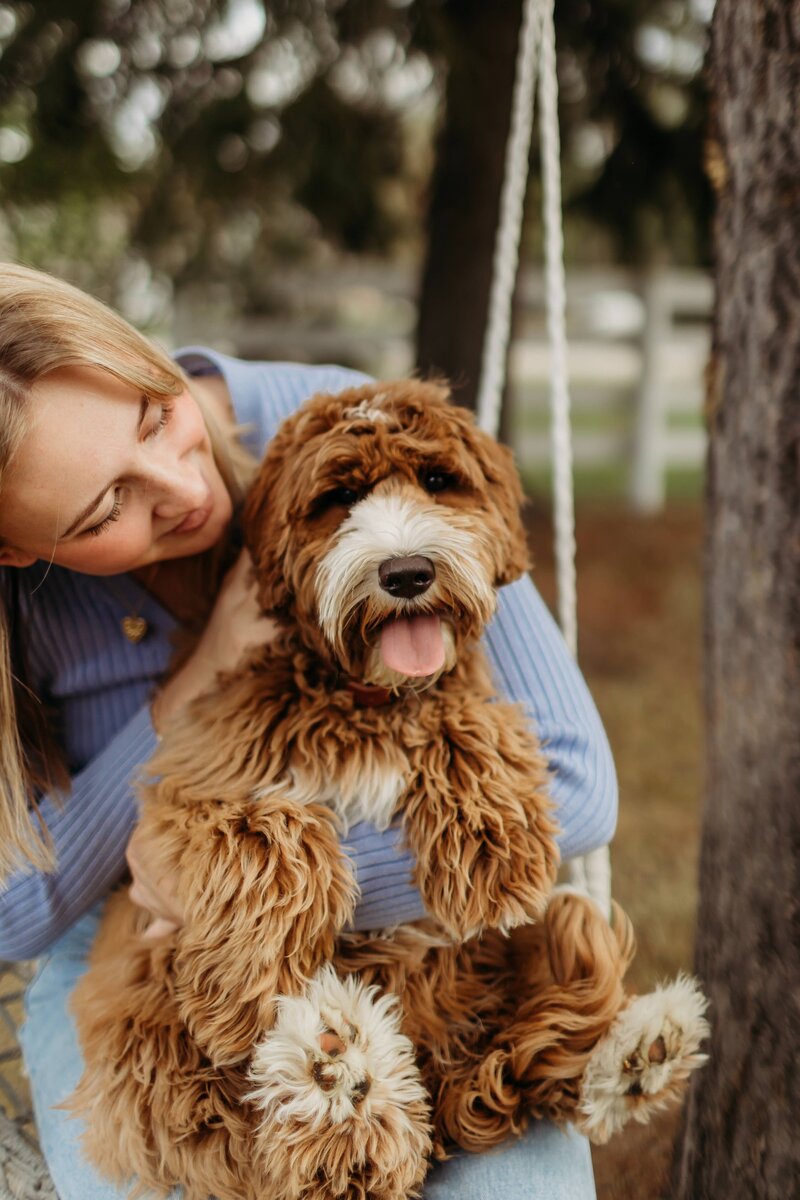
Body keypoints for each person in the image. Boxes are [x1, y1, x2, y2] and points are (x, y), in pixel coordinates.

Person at [0, 263, 616, 1199]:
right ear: (15, 547)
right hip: (132, 947)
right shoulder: (17, 604)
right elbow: (8, 907)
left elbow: (576, 785)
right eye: (105, 510)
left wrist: (269, 904)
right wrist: (197, 679)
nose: (179, 486)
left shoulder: (367, 435)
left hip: (412, 914)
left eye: (155, 415)